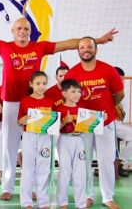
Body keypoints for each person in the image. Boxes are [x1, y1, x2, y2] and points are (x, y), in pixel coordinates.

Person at [0, 11, 118, 200]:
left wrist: (96, 41)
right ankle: (7, 186)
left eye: (26, 28)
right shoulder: (3, 46)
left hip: (35, 105)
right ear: (13, 31)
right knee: (9, 145)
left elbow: (67, 43)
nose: (22, 31)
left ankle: (32, 187)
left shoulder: (40, 47)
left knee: (33, 149)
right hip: (11, 103)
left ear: (31, 32)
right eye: (19, 28)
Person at [64, 37, 124, 209]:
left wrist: (111, 105)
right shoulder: (72, 73)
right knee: (84, 161)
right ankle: (88, 195)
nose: (86, 49)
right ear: (78, 51)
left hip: (106, 123)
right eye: (82, 47)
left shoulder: (108, 70)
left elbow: (119, 93)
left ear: (96, 49)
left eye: (89, 46)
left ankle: (107, 197)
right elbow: (68, 98)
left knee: (106, 161)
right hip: (84, 124)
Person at [17, 71, 54, 209]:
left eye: (44, 83)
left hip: (45, 137)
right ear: (31, 84)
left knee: (43, 170)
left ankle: (43, 202)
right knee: (28, 169)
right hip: (29, 136)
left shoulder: (50, 101)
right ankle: (26, 202)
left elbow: (54, 122)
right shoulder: (25, 101)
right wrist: (22, 120)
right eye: (38, 83)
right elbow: (19, 122)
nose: (41, 86)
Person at [56, 79, 87, 209]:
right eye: (73, 91)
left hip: (79, 140)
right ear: (64, 93)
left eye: (79, 91)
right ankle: (62, 203)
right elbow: (54, 128)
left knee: (80, 173)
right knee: (65, 172)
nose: (77, 94)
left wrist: (101, 119)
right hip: (64, 140)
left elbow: (88, 127)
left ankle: (81, 203)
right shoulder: (59, 109)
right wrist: (64, 121)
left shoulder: (83, 110)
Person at [113, 66, 131, 178]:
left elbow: (122, 116)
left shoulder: (119, 93)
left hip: (116, 124)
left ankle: (119, 161)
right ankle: (118, 162)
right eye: (120, 79)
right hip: (107, 123)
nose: (121, 82)